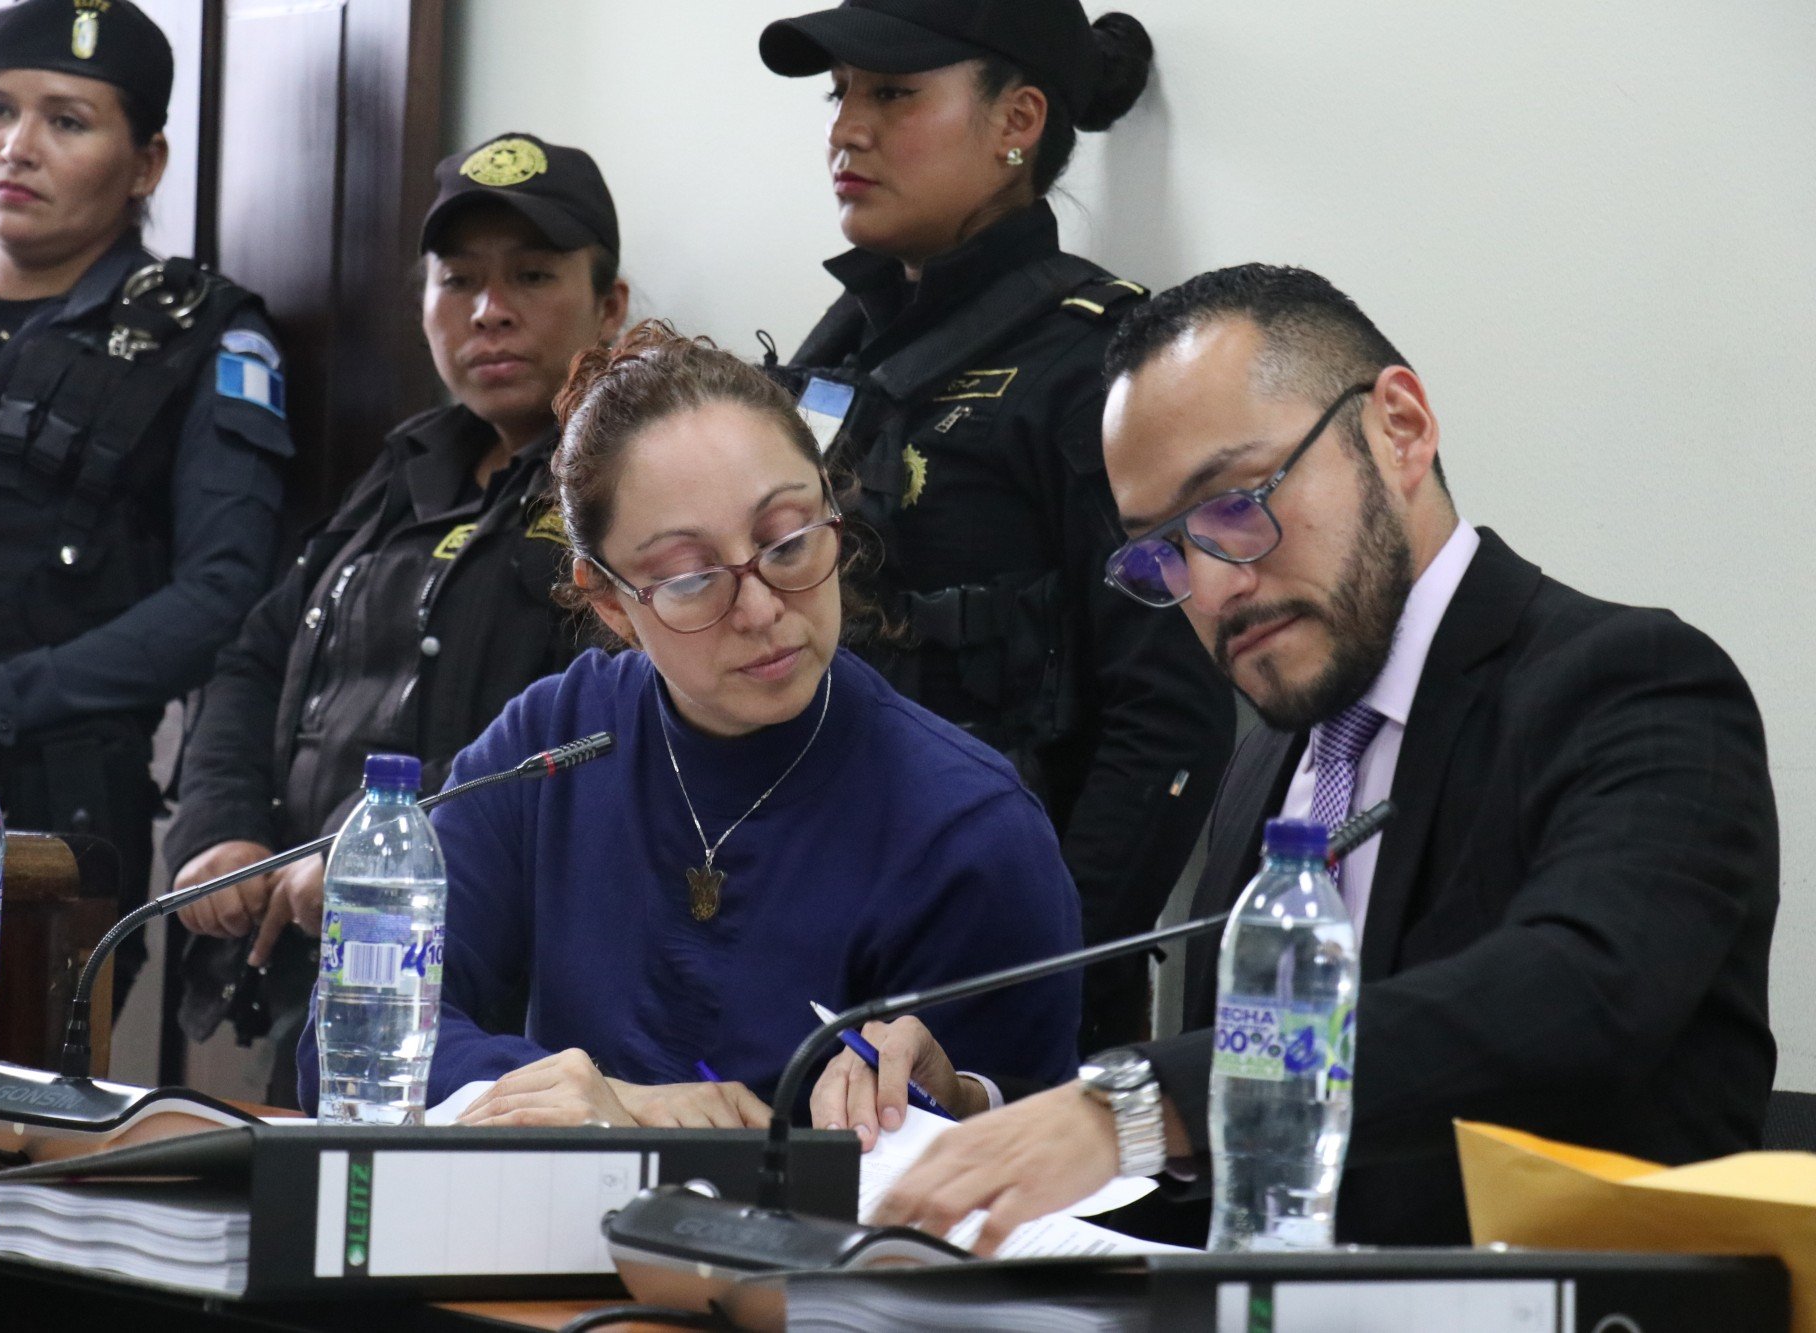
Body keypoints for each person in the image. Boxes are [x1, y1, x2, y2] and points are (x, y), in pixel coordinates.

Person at [835, 264, 1777, 1248]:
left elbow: (1581, 993)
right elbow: (1241, 1180)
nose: (1207, 589)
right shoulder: (1268, 765)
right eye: (1160, 552)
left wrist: (1138, 1104)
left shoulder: (1633, 685)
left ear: (1398, 429)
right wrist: (984, 1130)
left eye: (1236, 502)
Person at [293, 323, 1085, 1126]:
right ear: (610, 602)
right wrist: (607, 1106)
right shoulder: (551, 744)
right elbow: (350, 1034)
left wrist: (954, 1096)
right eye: (692, 578)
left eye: (789, 541)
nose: (763, 608)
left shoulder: (968, 826)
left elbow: (1032, 1144)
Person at [758, 0, 1234, 1051]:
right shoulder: (839, 345)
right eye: (839, 94)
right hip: (815, 955)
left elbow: (1169, 718)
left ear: (1015, 119)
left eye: (891, 93)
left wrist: (1022, 973)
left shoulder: (1101, 364)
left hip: (999, 998)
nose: (844, 129)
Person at [0, 0, 292, 998]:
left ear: (146, 162)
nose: (15, 146)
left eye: (66, 121)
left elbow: (222, 595)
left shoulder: (207, 341)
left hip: (33, 844)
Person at [161, 134, 628, 1104]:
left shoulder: (628, 486)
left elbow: (579, 728)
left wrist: (377, 854)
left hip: (486, 994)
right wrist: (221, 829)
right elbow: (257, 653)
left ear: (609, 305)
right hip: (303, 958)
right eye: (456, 281)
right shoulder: (413, 464)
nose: (488, 312)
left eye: (531, 277)